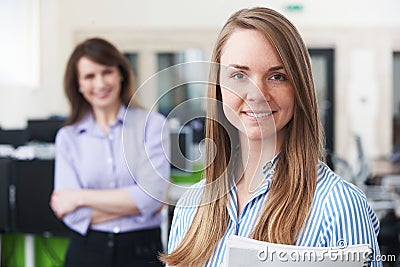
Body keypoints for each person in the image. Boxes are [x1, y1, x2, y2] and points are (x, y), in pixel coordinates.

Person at [162, 7, 382, 267]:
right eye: (239, 75)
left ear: (299, 88)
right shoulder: (192, 205)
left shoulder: (339, 206)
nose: (257, 94)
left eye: (277, 76)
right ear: (218, 88)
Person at [50, 38, 170, 267]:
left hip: (142, 251)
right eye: (89, 76)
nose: (100, 83)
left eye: (107, 72)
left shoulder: (152, 126)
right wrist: (137, 205)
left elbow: (152, 196)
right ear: (78, 84)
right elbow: (71, 214)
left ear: (121, 74)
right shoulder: (68, 137)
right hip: (86, 252)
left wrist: (79, 197)